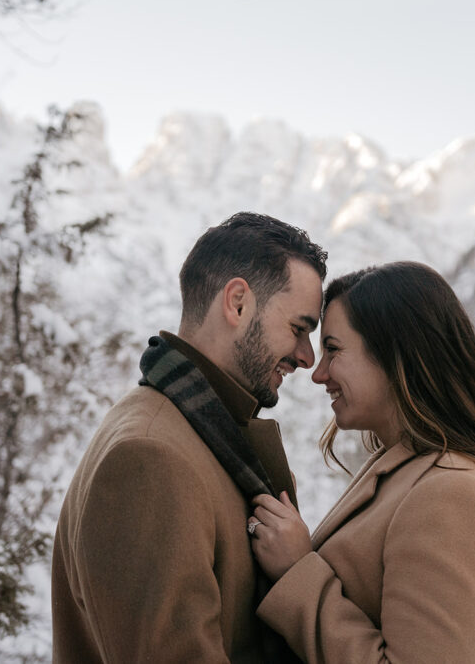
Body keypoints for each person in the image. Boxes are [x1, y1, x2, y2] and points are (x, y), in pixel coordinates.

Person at [246, 261, 475, 664]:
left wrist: (297, 572)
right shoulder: (405, 468)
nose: (318, 374)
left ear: (396, 356)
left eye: (334, 350)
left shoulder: (452, 493)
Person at [51, 212, 327, 663]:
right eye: (299, 329)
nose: (306, 357)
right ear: (238, 303)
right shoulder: (150, 457)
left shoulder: (200, 432)